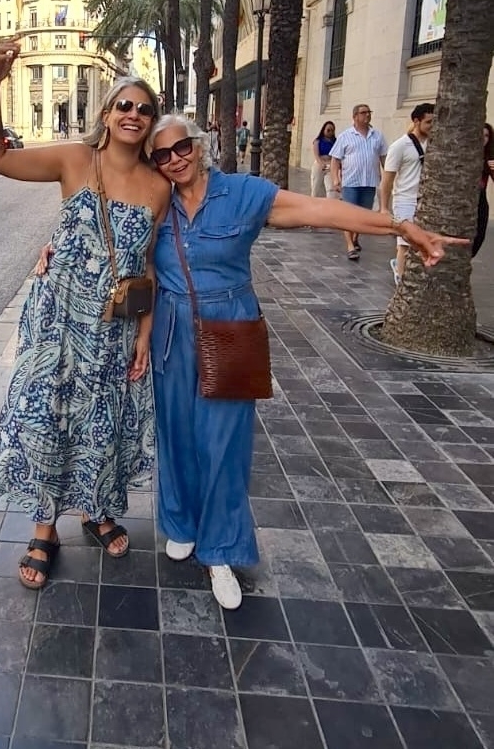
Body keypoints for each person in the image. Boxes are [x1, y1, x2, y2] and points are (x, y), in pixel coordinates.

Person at [148, 113, 467, 610]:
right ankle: (182, 522)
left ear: (199, 143)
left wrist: (401, 226)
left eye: (181, 146)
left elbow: (322, 210)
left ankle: (221, 549)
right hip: (170, 330)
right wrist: (51, 247)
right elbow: (106, 231)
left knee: (223, 444)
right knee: (176, 433)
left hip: (229, 327)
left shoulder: (244, 194)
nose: (174, 159)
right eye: (161, 154)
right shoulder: (155, 199)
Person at [0, 40, 169, 589]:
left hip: (113, 327)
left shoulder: (159, 188)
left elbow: (149, 265)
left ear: (151, 123)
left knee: (101, 419)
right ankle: (45, 529)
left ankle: (97, 510)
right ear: (107, 114)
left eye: (144, 109)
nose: (134, 115)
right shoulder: (73, 160)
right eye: (125, 106)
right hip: (57, 319)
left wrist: (145, 331)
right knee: (48, 414)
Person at [381, 102, 434, 285]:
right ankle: (401, 280)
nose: (432, 126)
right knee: (405, 243)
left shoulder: (434, 145)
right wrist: (383, 208)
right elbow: (387, 180)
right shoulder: (399, 146)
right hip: (404, 200)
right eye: (428, 122)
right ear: (417, 121)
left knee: (419, 241)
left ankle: (404, 269)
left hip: (425, 200)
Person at [329, 104, 388, 261]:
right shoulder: (345, 136)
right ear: (355, 116)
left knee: (363, 214)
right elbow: (335, 160)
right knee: (349, 215)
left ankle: (355, 238)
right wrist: (335, 179)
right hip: (351, 182)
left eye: (369, 112)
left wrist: (388, 179)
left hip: (369, 181)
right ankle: (350, 246)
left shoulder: (378, 136)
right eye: (363, 113)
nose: (367, 115)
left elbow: (384, 159)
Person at [472, 122, 494, 259]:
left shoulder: (489, 157)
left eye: (486, 136)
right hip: (463, 201)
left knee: (479, 237)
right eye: (480, 135)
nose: (483, 139)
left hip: (480, 200)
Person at [310, 121, 337, 198]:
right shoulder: (318, 141)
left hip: (330, 164)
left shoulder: (335, 142)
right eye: (328, 130)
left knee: (331, 188)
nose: (330, 132)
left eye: (332, 130)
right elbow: (316, 154)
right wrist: (321, 164)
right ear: (323, 130)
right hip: (319, 164)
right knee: (316, 187)